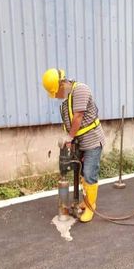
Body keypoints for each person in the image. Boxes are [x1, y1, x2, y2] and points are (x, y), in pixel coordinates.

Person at [42, 68, 105, 222]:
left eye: (55, 92)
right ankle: (85, 201)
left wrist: (69, 137)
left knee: (90, 173)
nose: (56, 96)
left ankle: (91, 207)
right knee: (83, 174)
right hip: (80, 143)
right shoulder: (65, 103)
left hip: (92, 141)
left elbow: (78, 116)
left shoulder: (80, 90)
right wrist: (68, 140)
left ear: (62, 84)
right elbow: (69, 123)